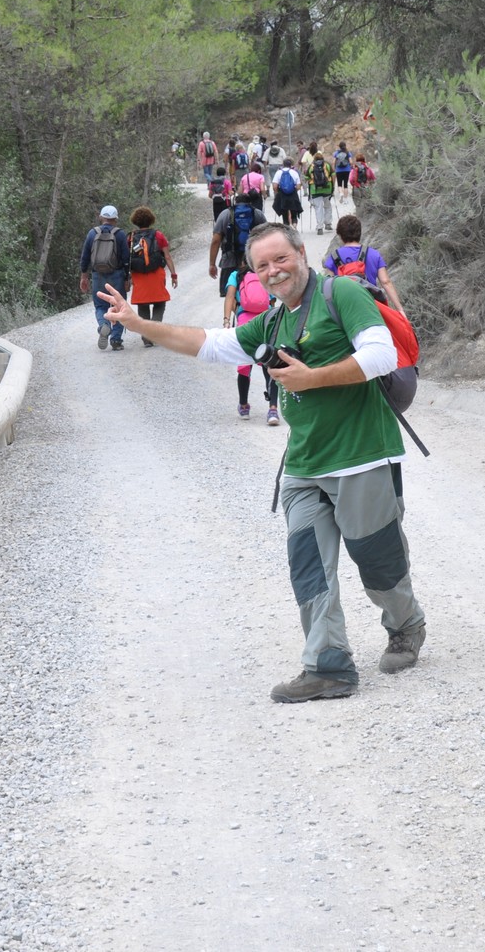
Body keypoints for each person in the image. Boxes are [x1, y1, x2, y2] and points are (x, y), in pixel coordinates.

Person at [97, 223, 428, 702]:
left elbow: (379, 355)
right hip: (303, 466)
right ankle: (329, 666)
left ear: (302, 253)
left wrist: (313, 378)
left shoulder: (342, 294)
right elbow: (210, 343)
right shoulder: (272, 321)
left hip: (363, 455)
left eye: (281, 259)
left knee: (378, 562)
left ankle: (406, 624)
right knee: (309, 567)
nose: (274, 271)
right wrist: (140, 324)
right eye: (262, 266)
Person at [223, 257, 279, 423]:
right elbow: (272, 300)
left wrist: (226, 320)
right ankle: (273, 409)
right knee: (269, 363)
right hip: (265, 321)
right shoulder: (265, 274)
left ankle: (244, 406)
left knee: (244, 364)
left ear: (242, 262)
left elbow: (230, 296)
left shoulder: (236, 275)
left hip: (244, 322)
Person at [322, 215, 405, 313]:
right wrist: (400, 309)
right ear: (359, 233)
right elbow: (385, 282)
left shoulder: (334, 257)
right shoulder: (374, 254)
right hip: (371, 307)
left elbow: (327, 288)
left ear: (340, 235)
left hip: (346, 310)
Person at [79, 205, 131, 350]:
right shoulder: (120, 234)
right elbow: (126, 258)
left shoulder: (92, 233)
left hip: (98, 275)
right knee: (119, 306)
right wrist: (127, 278)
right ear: (115, 219)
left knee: (100, 306)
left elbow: (85, 257)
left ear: (101, 217)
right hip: (117, 275)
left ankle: (104, 325)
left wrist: (84, 276)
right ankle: (116, 340)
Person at [128, 206, 178, 346]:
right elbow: (167, 256)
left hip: (138, 275)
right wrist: (173, 274)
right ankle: (153, 332)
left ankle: (146, 336)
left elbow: (128, 260)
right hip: (156, 274)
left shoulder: (131, 238)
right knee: (159, 303)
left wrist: (127, 278)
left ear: (135, 221)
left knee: (142, 305)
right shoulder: (158, 235)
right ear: (151, 220)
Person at [210, 191, 265, 297]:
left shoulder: (225, 214)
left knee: (229, 294)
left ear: (235, 202)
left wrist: (212, 264)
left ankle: (235, 306)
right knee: (254, 292)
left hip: (229, 260)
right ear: (250, 203)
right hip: (252, 260)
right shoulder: (257, 213)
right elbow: (266, 236)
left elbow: (215, 241)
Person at [306, 151, 336, 235]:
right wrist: (333, 186)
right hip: (327, 189)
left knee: (318, 208)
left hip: (315, 190)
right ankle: (328, 223)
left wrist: (311, 181)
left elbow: (306, 177)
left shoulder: (311, 166)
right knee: (327, 206)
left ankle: (320, 227)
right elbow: (333, 174)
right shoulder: (327, 165)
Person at [270, 157, 304, 228]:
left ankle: (286, 226)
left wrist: (278, 193)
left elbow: (274, 186)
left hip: (282, 194)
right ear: (291, 165)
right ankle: (294, 224)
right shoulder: (294, 172)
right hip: (293, 194)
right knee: (294, 211)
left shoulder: (279, 172)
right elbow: (298, 186)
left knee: (284, 213)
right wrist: (293, 190)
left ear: (283, 164)